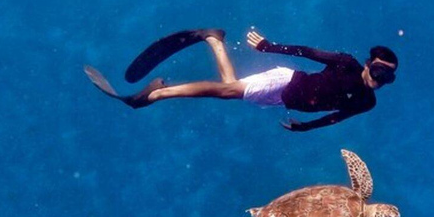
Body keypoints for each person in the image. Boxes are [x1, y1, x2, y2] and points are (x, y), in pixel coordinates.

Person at [84, 28, 398, 132]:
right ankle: (154, 95)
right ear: (369, 64)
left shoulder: (367, 102)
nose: (379, 81)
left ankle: (213, 39)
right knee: (227, 92)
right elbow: (307, 52)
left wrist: (306, 127)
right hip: (285, 83)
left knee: (231, 89)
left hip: (279, 99)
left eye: (387, 79)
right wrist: (270, 47)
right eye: (378, 72)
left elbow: (337, 117)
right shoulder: (345, 63)